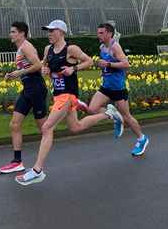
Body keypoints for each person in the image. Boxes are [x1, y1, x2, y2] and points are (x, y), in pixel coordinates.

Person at [16, 19, 124, 186]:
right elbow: (45, 66)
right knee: (76, 127)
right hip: (58, 95)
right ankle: (108, 114)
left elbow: (88, 61)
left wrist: (73, 69)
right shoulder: (48, 49)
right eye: (48, 31)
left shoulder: (71, 49)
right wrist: (45, 70)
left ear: (61, 32)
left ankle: (37, 171)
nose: (49, 34)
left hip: (68, 95)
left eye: (52, 31)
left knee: (46, 127)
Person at [88, 22, 150, 157]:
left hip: (118, 89)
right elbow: (106, 66)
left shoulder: (115, 47)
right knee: (92, 109)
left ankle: (142, 138)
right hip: (106, 86)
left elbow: (126, 64)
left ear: (109, 34)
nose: (98, 35)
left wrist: (108, 64)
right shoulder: (102, 47)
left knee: (127, 117)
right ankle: (115, 116)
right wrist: (103, 67)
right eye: (98, 33)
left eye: (101, 33)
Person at [0, 21, 48, 174]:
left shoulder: (26, 46)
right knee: (14, 124)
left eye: (13, 32)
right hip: (28, 89)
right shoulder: (21, 48)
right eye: (11, 32)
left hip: (36, 88)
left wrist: (19, 73)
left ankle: (44, 157)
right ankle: (17, 161)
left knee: (44, 128)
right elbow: (26, 67)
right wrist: (13, 74)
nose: (11, 34)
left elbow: (38, 65)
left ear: (21, 33)